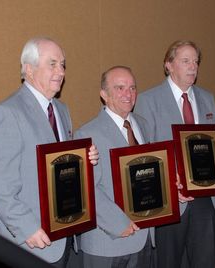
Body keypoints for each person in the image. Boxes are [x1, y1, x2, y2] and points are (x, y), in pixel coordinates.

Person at [0, 37, 99, 267]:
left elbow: (53, 164)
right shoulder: (7, 113)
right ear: (29, 69)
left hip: (61, 235)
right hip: (24, 242)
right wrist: (27, 228)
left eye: (63, 64)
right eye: (52, 64)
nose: (61, 71)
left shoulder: (61, 109)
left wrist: (83, 159)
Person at [134, 40, 215, 268]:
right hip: (171, 200)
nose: (193, 66)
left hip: (205, 198)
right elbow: (144, 154)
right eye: (185, 61)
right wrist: (169, 183)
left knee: (205, 261)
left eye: (196, 61)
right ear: (168, 65)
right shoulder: (148, 101)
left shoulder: (207, 98)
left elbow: (211, 147)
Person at [74, 66, 154, 268]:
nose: (128, 94)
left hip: (144, 237)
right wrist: (118, 223)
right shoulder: (86, 134)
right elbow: (87, 188)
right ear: (104, 95)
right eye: (120, 88)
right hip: (106, 242)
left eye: (132, 87)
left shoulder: (144, 125)